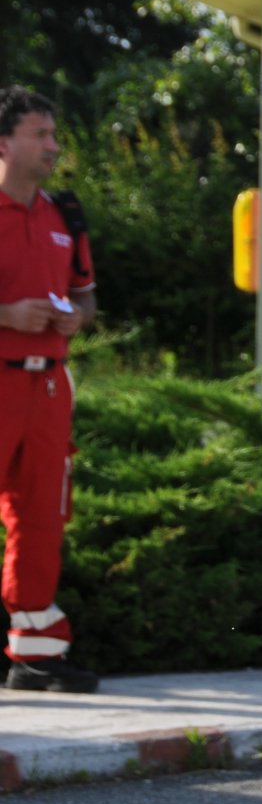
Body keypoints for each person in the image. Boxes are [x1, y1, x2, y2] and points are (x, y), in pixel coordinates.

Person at [0, 86, 98, 693]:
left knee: (42, 517)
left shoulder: (66, 215)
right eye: (41, 135)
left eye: (54, 136)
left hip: (49, 388)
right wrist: (7, 314)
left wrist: (77, 318)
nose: (53, 147)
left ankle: (34, 655)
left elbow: (87, 293)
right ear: (4, 142)